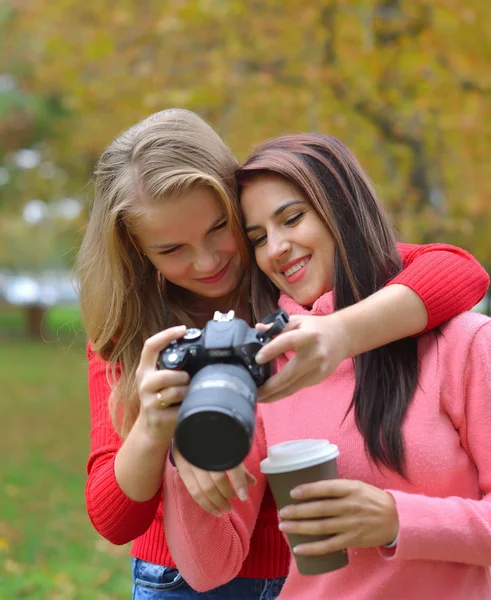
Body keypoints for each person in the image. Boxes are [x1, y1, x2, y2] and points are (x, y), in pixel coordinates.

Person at [76, 110, 489, 599]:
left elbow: (457, 271)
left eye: (219, 230)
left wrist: (335, 333)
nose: (207, 263)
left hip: (316, 572)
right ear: (138, 253)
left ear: (237, 204)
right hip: (190, 575)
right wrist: (159, 430)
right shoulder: (140, 336)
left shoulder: (290, 291)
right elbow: (113, 516)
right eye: (172, 250)